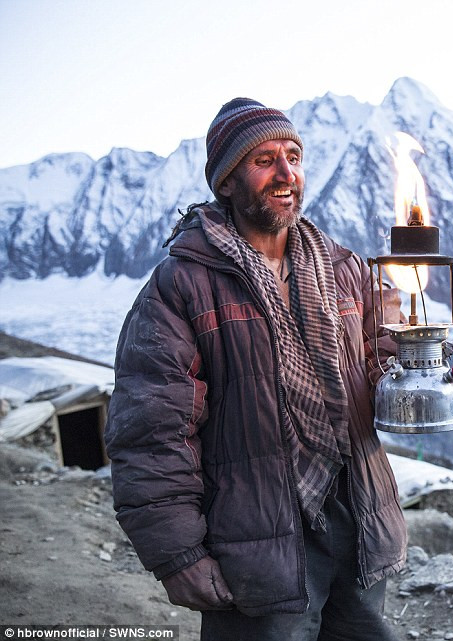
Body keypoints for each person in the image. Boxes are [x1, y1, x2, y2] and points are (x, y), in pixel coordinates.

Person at [105, 98, 407, 641]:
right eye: (264, 159)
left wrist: (410, 373)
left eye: (293, 155)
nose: (286, 173)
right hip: (256, 537)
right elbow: (152, 434)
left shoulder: (342, 269)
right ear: (226, 181)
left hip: (356, 515)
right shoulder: (182, 287)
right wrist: (178, 556)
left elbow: (373, 369)